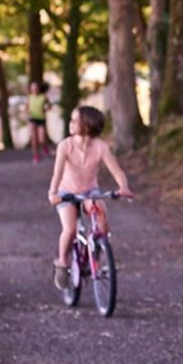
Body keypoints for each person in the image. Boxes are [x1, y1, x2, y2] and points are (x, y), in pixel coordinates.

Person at [47, 105, 133, 289]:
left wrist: (123, 187)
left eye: (75, 120)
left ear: (87, 125)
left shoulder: (100, 147)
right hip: (66, 192)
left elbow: (116, 171)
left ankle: (100, 256)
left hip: (89, 191)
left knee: (101, 219)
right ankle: (62, 262)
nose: (71, 124)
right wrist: (53, 193)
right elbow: (58, 173)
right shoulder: (66, 146)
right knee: (70, 229)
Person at [27, 80, 51, 162]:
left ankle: (44, 146)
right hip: (32, 118)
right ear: (30, 89)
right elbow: (26, 108)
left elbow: (49, 105)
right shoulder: (29, 97)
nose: (34, 89)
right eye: (32, 87)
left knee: (42, 139)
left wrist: (45, 109)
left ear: (38, 88)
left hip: (41, 119)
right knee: (34, 139)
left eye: (36, 87)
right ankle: (36, 156)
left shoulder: (43, 97)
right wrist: (27, 111)